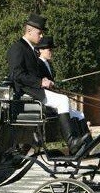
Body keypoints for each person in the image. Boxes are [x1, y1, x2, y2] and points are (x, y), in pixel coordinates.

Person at [6, 13, 89, 154]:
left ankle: (80, 143)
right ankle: (72, 142)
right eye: (39, 33)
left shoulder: (30, 49)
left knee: (66, 103)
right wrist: (40, 82)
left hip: (33, 90)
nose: (41, 36)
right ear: (29, 31)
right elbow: (17, 75)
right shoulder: (18, 48)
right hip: (27, 92)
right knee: (63, 100)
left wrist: (47, 82)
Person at [35, 36, 92, 141]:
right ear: (41, 50)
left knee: (80, 114)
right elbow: (40, 81)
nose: (51, 52)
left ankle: (87, 143)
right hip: (46, 100)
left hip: (52, 97)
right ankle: (72, 142)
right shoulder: (38, 63)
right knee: (66, 102)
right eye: (49, 50)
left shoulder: (48, 64)